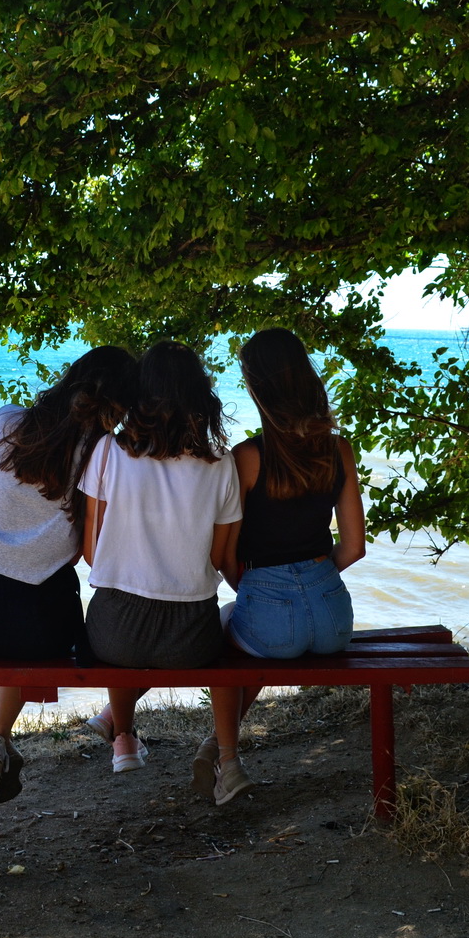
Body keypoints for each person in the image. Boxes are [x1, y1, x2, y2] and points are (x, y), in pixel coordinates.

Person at [0, 347, 139, 803]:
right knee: (19, 631)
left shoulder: (7, 421)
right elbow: (89, 550)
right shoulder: (103, 453)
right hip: (42, 613)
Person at [78, 342, 249, 801]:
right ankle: (219, 753)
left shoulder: (108, 453)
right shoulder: (222, 465)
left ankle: (123, 738)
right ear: (202, 395)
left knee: (121, 623)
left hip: (113, 633)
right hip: (190, 639)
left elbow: (92, 552)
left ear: (140, 395)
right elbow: (216, 560)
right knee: (235, 617)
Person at [204, 328, 366, 798]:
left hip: (272, 619)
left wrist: (259, 587)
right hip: (335, 619)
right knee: (249, 633)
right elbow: (353, 548)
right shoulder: (339, 449)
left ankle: (229, 763)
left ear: (256, 387)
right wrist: (311, 580)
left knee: (218, 642)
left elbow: (222, 555)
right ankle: (213, 746)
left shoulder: (247, 457)